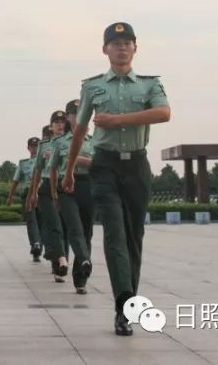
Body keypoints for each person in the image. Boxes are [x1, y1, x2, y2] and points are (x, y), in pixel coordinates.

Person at [61, 21, 170, 336]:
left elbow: (163, 113)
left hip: (136, 167)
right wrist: (69, 170)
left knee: (134, 237)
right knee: (114, 233)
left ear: (135, 47)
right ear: (105, 49)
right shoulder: (93, 86)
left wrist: (117, 120)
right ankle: (124, 304)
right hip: (104, 166)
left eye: (127, 42)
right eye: (115, 42)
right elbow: (80, 130)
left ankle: (128, 300)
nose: (121, 47)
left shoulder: (149, 85)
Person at [49, 99, 96, 294]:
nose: (79, 116)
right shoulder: (59, 142)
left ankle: (80, 278)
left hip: (87, 185)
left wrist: (76, 158)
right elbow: (52, 169)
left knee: (86, 231)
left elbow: (97, 164)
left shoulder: (95, 140)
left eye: (83, 112)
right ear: (68, 117)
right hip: (66, 187)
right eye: (75, 113)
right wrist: (53, 195)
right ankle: (85, 258)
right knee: (74, 226)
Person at [27, 111, 71, 282]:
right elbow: (38, 170)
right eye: (56, 122)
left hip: (66, 186)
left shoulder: (72, 142)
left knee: (66, 227)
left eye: (62, 122)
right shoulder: (45, 145)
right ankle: (60, 259)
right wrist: (33, 193)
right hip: (46, 187)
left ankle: (61, 264)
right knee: (54, 224)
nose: (60, 125)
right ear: (51, 126)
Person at [6, 134, 43, 262]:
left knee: (42, 222)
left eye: (37, 146)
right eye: (32, 147)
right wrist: (10, 196)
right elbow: (15, 181)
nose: (35, 149)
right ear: (28, 148)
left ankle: (38, 246)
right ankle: (36, 245)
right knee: (31, 220)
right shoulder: (23, 164)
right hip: (28, 194)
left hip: (43, 193)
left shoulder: (47, 160)